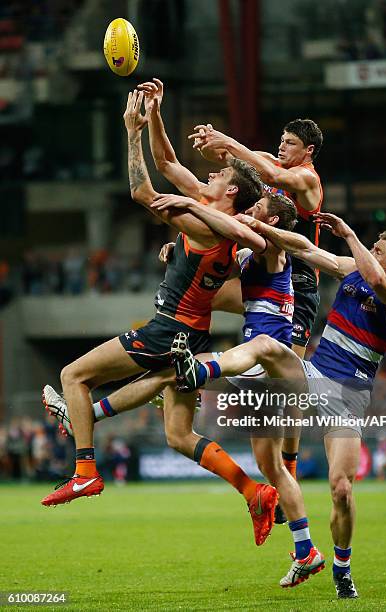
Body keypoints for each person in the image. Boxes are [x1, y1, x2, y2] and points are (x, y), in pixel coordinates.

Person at [41, 91, 281, 547]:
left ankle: (85, 470)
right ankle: (254, 492)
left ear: (230, 191)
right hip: (193, 332)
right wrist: (154, 117)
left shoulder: (207, 224)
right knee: (177, 434)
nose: (209, 173)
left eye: (219, 173)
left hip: (170, 328)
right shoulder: (211, 213)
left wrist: (130, 133)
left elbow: (141, 191)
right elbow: (168, 162)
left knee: (74, 374)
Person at [171, 211, 386, 597]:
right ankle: (202, 373)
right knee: (267, 347)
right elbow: (306, 248)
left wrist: (351, 231)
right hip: (314, 375)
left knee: (341, 489)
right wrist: (260, 229)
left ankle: (342, 567)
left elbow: (375, 280)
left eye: (378, 250)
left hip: (349, 398)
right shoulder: (353, 268)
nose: (370, 251)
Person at [138, 79, 324, 520]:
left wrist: (227, 143)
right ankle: (172, 367)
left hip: (293, 281)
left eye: (291, 143)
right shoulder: (260, 174)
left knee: (284, 387)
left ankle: (287, 473)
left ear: (309, 152)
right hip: (252, 270)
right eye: (281, 139)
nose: (282, 147)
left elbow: (272, 175)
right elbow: (189, 166)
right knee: (190, 296)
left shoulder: (305, 179)